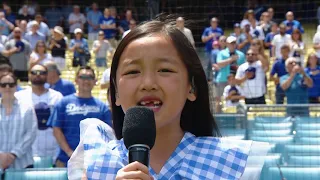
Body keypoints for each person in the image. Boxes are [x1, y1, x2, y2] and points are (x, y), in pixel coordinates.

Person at [69, 18, 267, 179]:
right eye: (132, 71)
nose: (148, 83)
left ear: (192, 88)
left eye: (165, 70)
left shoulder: (237, 164)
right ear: (115, 93)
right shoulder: (97, 166)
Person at [49, 66, 112, 167]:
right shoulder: (63, 103)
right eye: (82, 77)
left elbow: (107, 133)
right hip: (66, 160)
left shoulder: (102, 107)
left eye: (90, 77)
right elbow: (56, 130)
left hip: (94, 162)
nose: (86, 80)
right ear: (76, 80)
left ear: (95, 81)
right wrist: (71, 153)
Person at [15, 64, 63, 162]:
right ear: (29, 75)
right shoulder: (18, 97)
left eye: (41, 73)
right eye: (34, 72)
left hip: (52, 151)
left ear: (47, 75)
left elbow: (62, 125)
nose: (37, 75)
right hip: (25, 152)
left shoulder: (57, 97)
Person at [0, 73, 37, 169]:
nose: (7, 87)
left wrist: (13, 154)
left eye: (11, 84)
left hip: (23, 163)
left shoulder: (27, 107)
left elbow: (31, 133)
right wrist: (1, 155)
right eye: (3, 85)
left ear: (16, 86)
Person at [215, 36, 245, 111]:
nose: (233, 45)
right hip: (223, 79)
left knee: (236, 100)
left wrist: (238, 67)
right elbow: (219, 64)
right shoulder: (222, 53)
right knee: (219, 101)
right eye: (231, 43)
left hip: (236, 81)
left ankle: (238, 117)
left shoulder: (241, 55)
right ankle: (218, 118)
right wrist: (231, 60)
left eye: (234, 43)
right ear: (227, 44)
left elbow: (243, 67)